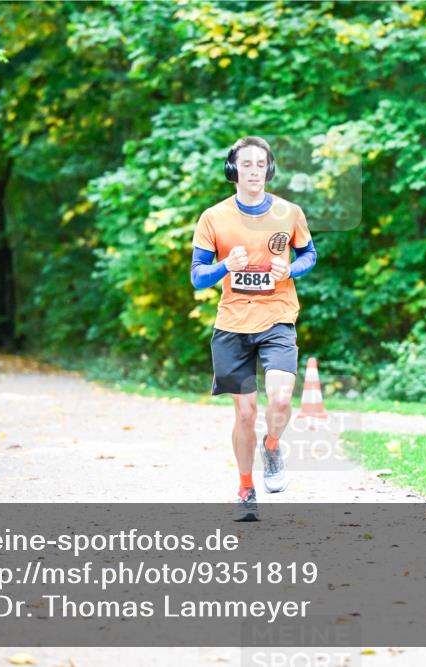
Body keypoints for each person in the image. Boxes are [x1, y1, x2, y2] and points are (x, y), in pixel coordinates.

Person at [190, 136, 318, 521]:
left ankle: (273, 444)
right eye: (245, 164)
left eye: (260, 164)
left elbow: (309, 254)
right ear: (233, 170)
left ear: (269, 169)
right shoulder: (213, 218)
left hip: (278, 315)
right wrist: (226, 265)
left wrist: (290, 269)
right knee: (244, 413)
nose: (253, 171)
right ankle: (246, 487)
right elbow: (197, 277)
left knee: (280, 399)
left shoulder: (288, 212)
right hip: (232, 323)